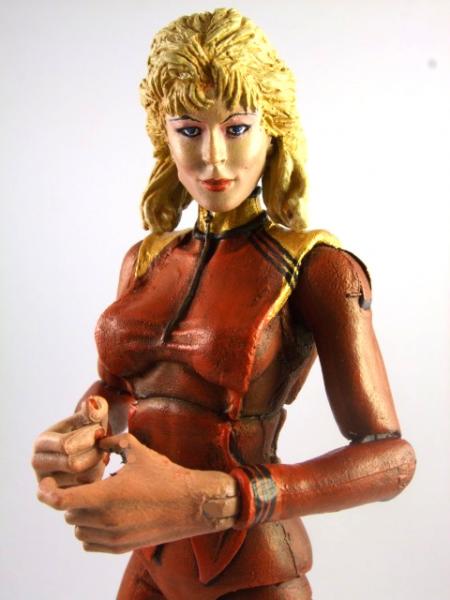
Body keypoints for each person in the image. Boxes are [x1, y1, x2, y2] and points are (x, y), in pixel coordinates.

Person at [32, 8, 416, 599]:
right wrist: (82, 436)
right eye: (190, 130)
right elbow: (121, 390)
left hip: (253, 567)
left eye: (236, 128)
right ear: (164, 134)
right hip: (152, 559)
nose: (213, 157)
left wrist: (219, 499)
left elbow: (391, 460)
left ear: (273, 127)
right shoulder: (145, 259)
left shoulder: (318, 268)